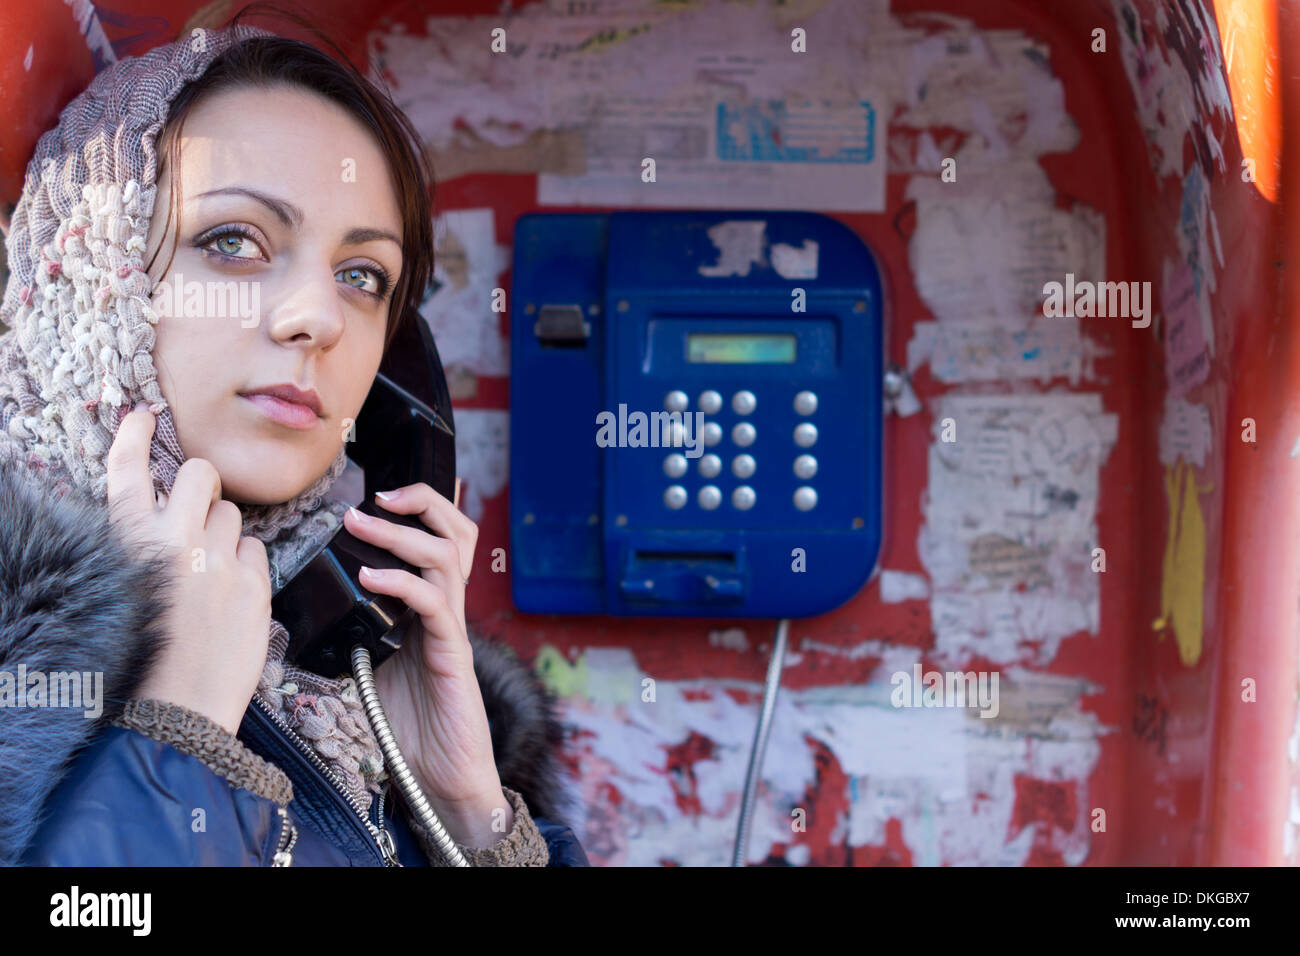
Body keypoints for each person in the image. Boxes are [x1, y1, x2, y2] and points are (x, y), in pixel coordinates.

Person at [0, 19, 587, 867]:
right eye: (233, 242)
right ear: (90, 275)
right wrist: (179, 732)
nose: (317, 319)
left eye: (362, 277)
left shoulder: (347, 693)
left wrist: (467, 814)